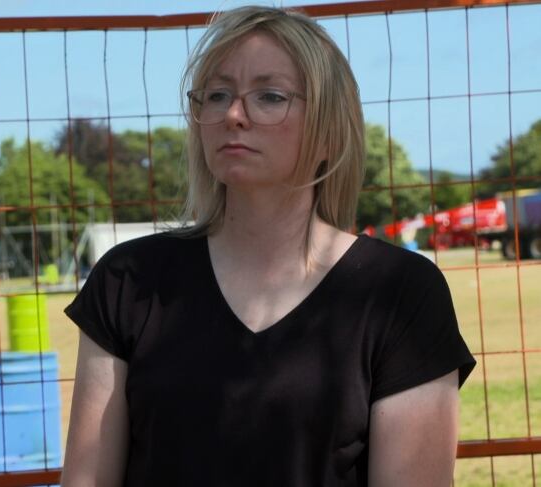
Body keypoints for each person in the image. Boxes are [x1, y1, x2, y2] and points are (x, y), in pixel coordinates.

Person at [61, 6, 475, 487]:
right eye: (217, 95)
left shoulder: (401, 293)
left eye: (270, 96)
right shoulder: (127, 280)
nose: (234, 115)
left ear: (328, 130)